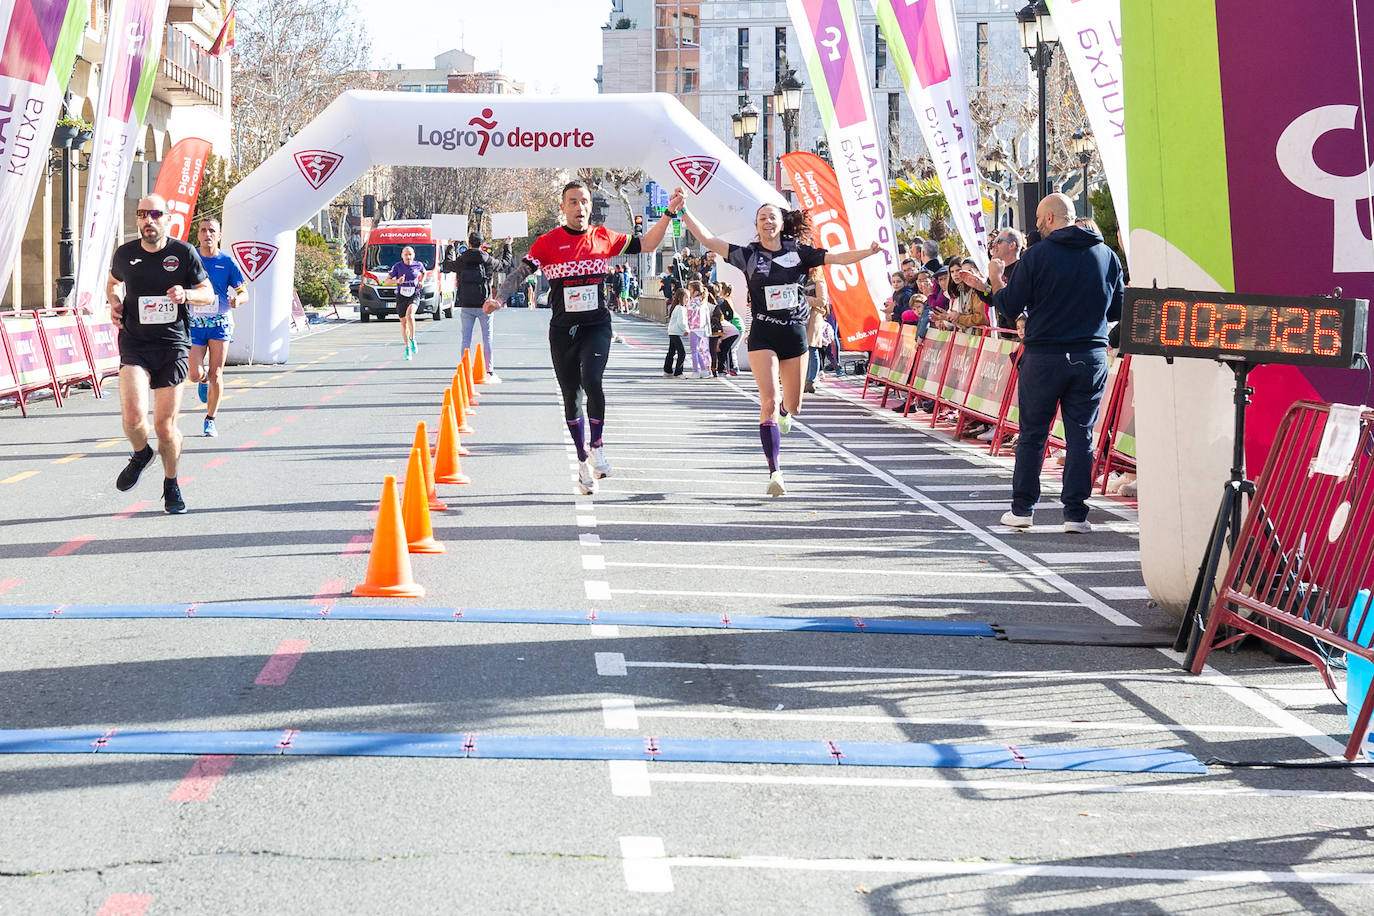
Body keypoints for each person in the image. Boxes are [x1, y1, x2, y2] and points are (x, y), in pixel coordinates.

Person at [676, 194, 883, 496]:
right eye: (762, 218)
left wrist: (868, 252)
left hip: (794, 333)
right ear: (757, 226)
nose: (767, 222)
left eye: (773, 217)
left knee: (793, 406)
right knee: (768, 402)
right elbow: (708, 239)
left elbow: (837, 259)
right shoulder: (747, 255)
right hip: (763, 335)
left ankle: (787, 409)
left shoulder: (798, 252)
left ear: (782, 223)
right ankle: (775, 472)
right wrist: (682, 211)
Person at [485, 180, 680, 494]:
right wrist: (500, 298)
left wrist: (670, 212)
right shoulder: (547, 243)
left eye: (584, 201)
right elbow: (521, 273)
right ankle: (581, 462)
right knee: (572, 398)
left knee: (592, 379)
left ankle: (598, 448)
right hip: (563, 330)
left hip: (597, 325)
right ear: (563, 208)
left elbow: (646, 245)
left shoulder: (603, 237)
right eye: (573, 202)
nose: (580, 207)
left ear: (591, 206)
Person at [989, 193, 1123, 533]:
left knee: (1033, 434)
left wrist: (995, 279)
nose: (1035, 226)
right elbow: (1117, 312)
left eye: (1037, 220)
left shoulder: (1037, 255)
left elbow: (1009, 306)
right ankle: (1075, 515)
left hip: (1045, 355)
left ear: (1050, 218)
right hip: (1089, 355)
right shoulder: (1106, 255)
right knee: (1081, 436)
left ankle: (1023, 509)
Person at [105, 194, 215, 514]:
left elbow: (207, 294)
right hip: (135, 343)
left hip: (172, 346)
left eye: (155, 214)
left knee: (165, 426)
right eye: (142, 214)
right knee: (132, 418)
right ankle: (141, 454)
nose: (148, 220)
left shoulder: (183, 253)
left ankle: (171, 484)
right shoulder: (125, 253)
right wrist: (114, 301)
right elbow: (113, 283)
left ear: (168, 218)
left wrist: (187, 294)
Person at [188, 218, 246, 438]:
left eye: (212, 230)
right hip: (195, 321)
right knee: (194, 373)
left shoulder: (227, 262)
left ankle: (210, 419)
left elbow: (244, 292)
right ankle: (202, 381)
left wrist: (237, 301)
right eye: (203, 230)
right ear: (198, 234)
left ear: (219, 235)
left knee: (217, 373)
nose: (207, 234)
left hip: (220, 321)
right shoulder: (190, 258)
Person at [457, 232, 512, 382]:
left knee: (465, 339)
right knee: (487, 338)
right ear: (482, 245)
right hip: (485, 305)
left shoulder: (462, 260)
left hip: (466, 304)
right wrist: (507, 245)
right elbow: (504, 265)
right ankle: (489, 371)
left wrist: (450, 246)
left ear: (468, 244)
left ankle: (464, 369)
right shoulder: (487, 259)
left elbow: (448, 264)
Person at [388, 246, 426, 358]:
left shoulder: (418, 265)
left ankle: (413, 339)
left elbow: (424, 273)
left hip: (414, 294)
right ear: (402, 256)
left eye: (410, 254)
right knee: (404, 323)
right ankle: (407, 347)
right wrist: (397, 281)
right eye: (405, 254)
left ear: (413, 255)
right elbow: (387, 281)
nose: (408, 257)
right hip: (401, 296)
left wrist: (422, 281)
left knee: (410, 315)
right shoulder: (397, 266)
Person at [664, 288, 687, 377]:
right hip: (675, 332)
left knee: (671, 352)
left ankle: (668, 370)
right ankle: (678, 372)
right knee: (682, 352)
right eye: (686, 298)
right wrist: (686, 330)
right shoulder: (680, 308)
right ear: (680, 298)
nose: (687, 300)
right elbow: (681, 322)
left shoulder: (677, 307)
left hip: (672, 331)